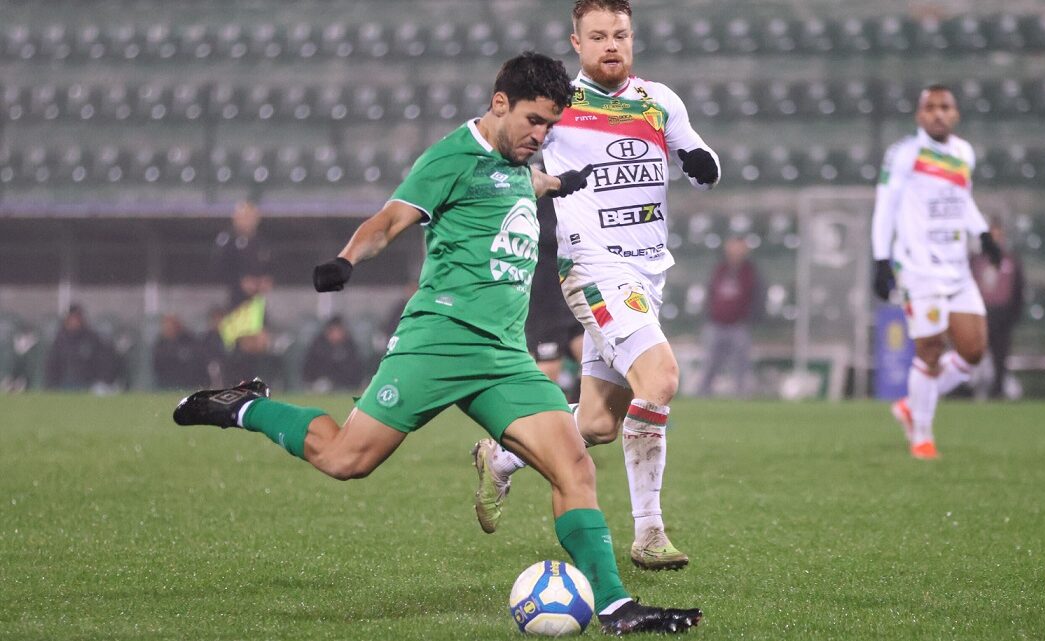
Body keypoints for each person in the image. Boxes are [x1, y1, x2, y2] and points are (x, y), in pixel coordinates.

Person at [171, 52, 700, 634]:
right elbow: (389, 220)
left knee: (574, 467)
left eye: (550, 124)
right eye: (532, 121)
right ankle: (246, 406)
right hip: (438, 341)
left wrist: (556, 183)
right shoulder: (452, 157)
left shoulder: (521, 160)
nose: (541, 135)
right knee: (348, 460)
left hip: (503, 356)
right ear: (499, 104)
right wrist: (346, 260)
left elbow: (523, 180)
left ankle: (617, 609)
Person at [471, 0, 720, 572]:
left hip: (648, 272)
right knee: (660, 377)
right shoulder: (558, 106)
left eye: (621, 35)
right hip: (592, 267)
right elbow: (503, 156)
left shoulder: (660, 101)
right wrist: (536, 183)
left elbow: (697, 155)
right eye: (599, 36)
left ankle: (500, 459)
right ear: (576, 43)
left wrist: (705, 165)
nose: (612, 45)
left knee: (601, 423)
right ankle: (649, 532)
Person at [871, 84, 1002, 460]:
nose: (938, 114)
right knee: (929, 351)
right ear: (919, 115)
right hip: (917, 268)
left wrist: (982, 235)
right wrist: (882, 260)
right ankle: (922, 438)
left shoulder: (963, 152)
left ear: (955, 114)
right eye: (931, 108)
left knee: (973, 351)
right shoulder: (904, 154)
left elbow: (962, 201)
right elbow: (886, 207)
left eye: (945, 107)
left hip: (957, 268)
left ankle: (913, 404)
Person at [526, 195, 585, 401]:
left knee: (594, 359)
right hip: (544, 296)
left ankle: (578, 424)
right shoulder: (536, 180)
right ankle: (529, 427)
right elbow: (548, 236)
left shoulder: (577, 176)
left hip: (573, 287)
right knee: (548, 369)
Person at [695, 235, 761, 398]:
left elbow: (757, 296)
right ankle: (703, 395)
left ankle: (742, 396)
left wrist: (749, 318)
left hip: (739, 325)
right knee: (710, 362)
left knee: (741, 365)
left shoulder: (750, 271)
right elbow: (710, 294)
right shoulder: (719, 269)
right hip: (716, 324)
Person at [970, 220, 1024, 399]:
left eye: (999, 236)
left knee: (1000, 356)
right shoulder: (976, 261)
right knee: (972, 354)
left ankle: (998, 391)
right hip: (980, 316)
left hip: (1002, 316)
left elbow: (1018, 290)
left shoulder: (1011, 260)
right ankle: (968, 390)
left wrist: (1012, 315)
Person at [45, 304, 120, 390]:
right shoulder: (60, 340)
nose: (74, 322)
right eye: (72, 318)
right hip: (64, 384)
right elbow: (52, 365)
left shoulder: (92, 339)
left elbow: (103, 362)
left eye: (77, 318)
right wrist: (52, 384)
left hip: (88, 384)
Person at [302, 315, 365, 392]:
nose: (337, 334)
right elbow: (310, 368)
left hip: (346, 386)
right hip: (320, 386)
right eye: (334, 330)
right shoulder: (318, 346)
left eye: (339, 330)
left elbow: (356, 369)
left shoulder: (350, 346)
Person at [153, 313, 204, 389]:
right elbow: (157, 363)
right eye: (166, 325)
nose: (168, 328)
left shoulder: (188, 340)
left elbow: (195, 360)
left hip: (187, 383)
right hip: (165, 382)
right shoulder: (160, 343)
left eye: (171, 325)